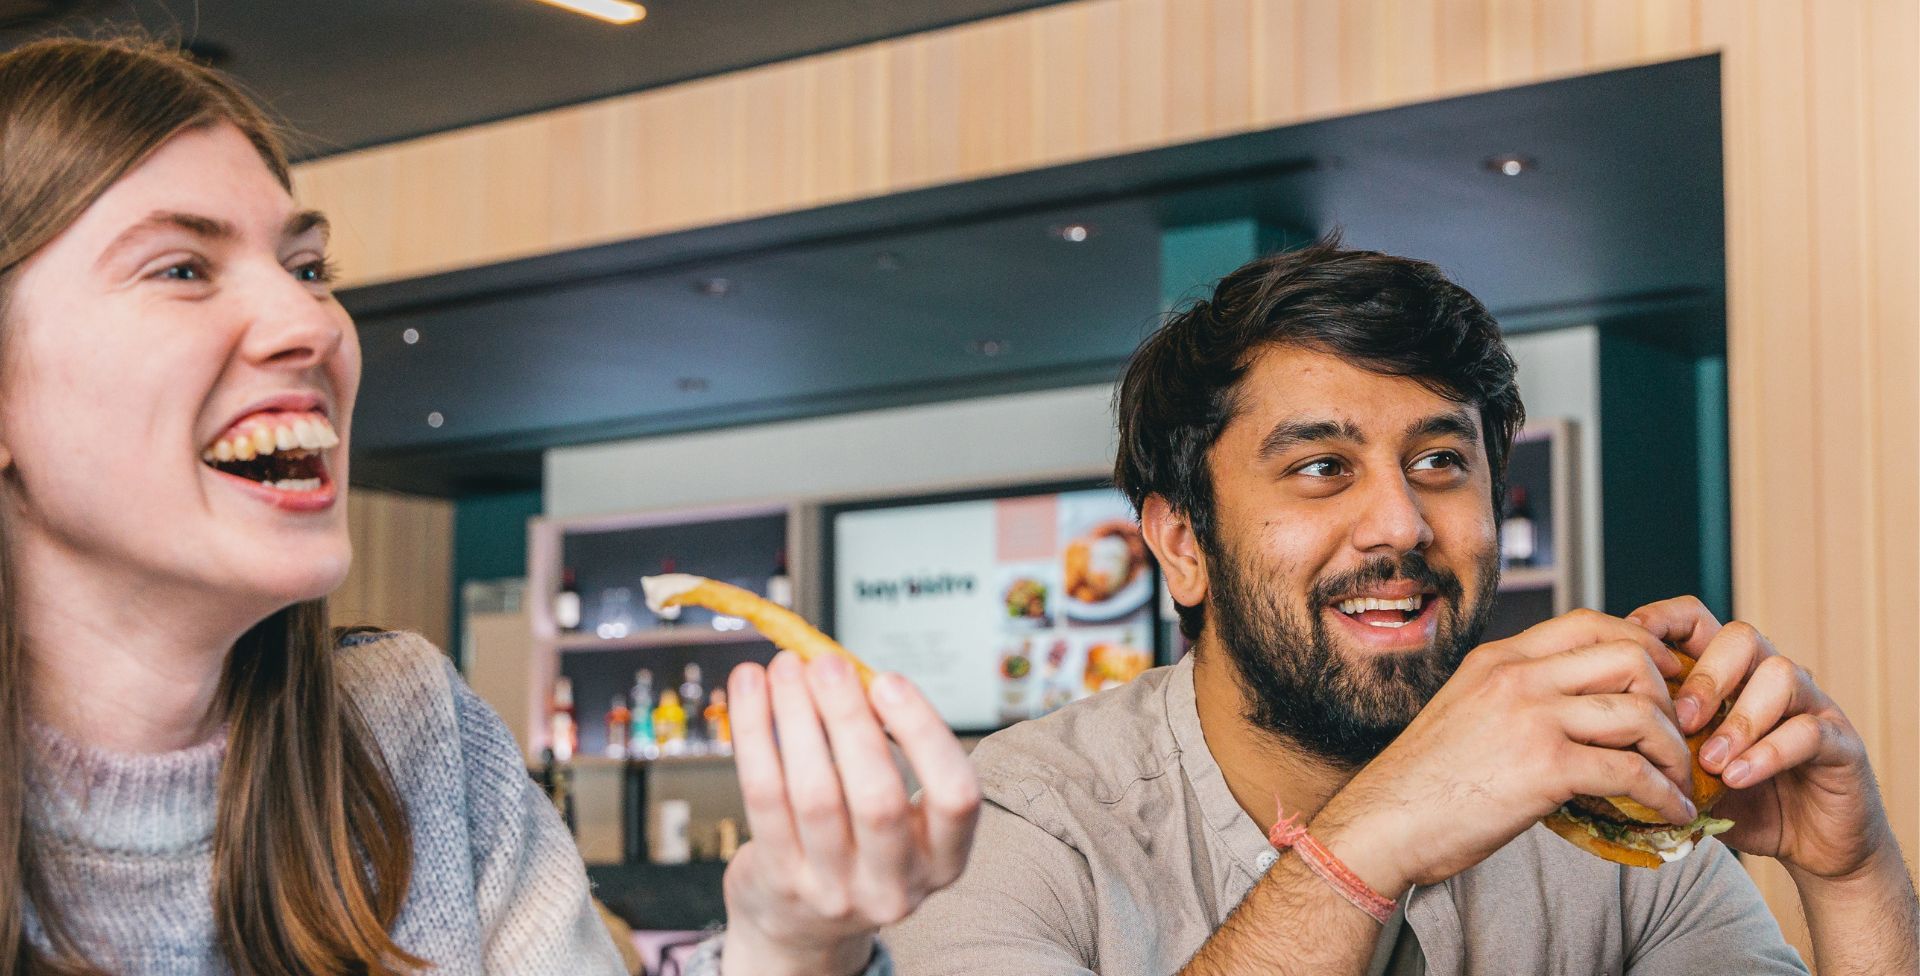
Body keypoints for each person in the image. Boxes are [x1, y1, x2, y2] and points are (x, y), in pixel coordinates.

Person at [0, 37, 977, 975]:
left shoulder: (413, 730)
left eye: (308, 271)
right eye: (181, 269)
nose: (311, 323)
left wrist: (792, 944)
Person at [885, 237, 1919, 973]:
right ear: (1183, 543)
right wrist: (1369, 841)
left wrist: (1852, 875)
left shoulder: (1614, 814)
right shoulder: (1015, 824)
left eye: (1438, 461)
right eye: (1321, 467)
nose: (1402, 524)